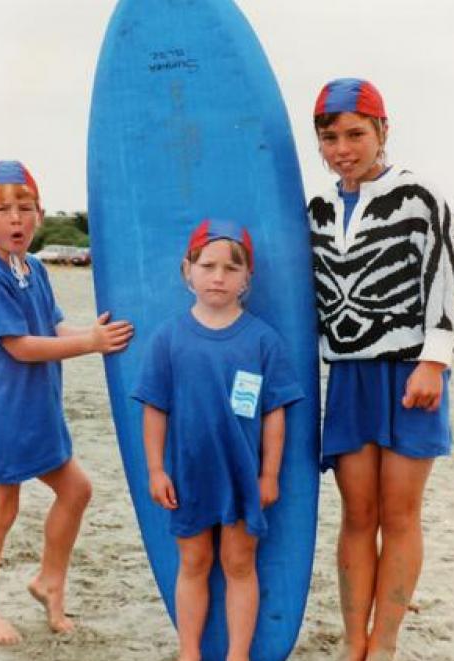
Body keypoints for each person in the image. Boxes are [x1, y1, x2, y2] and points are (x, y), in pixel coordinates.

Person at [308, 78, 454, 661]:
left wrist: (434, 360)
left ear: (382, 131)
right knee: (358, 512)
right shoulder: (318, 210)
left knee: (399, 512)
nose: (344, 148)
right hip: (349, 377)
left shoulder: (421, 195)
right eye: (330, 137)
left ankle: (385, 644)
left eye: (355, 133)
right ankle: (353, 642)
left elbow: (449, 276)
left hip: (409, 373)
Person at [0, 160, 133, 645]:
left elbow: (53, 328)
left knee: (76, 490)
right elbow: (20, 346)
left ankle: (48, 581)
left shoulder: (34, 268)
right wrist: (91, 345)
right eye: (2, 210)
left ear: (40, 214)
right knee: (1, 511)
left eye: (25, 208)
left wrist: (96, 333)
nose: (15, 219)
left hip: (39, 411)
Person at [133, 219, 304, 661]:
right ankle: (189, 652)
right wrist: (155, 469)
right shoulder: (168, 338)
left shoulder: (264, 340)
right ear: (186, 270)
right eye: (207, 265)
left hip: (243, 478)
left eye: (231, 268)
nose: (218, 276)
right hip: (189, 477)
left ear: (248, 278)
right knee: (193, 564)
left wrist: (269, 475)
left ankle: (238, 655)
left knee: (240, 565)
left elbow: (275, 413)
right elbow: (154, 408)